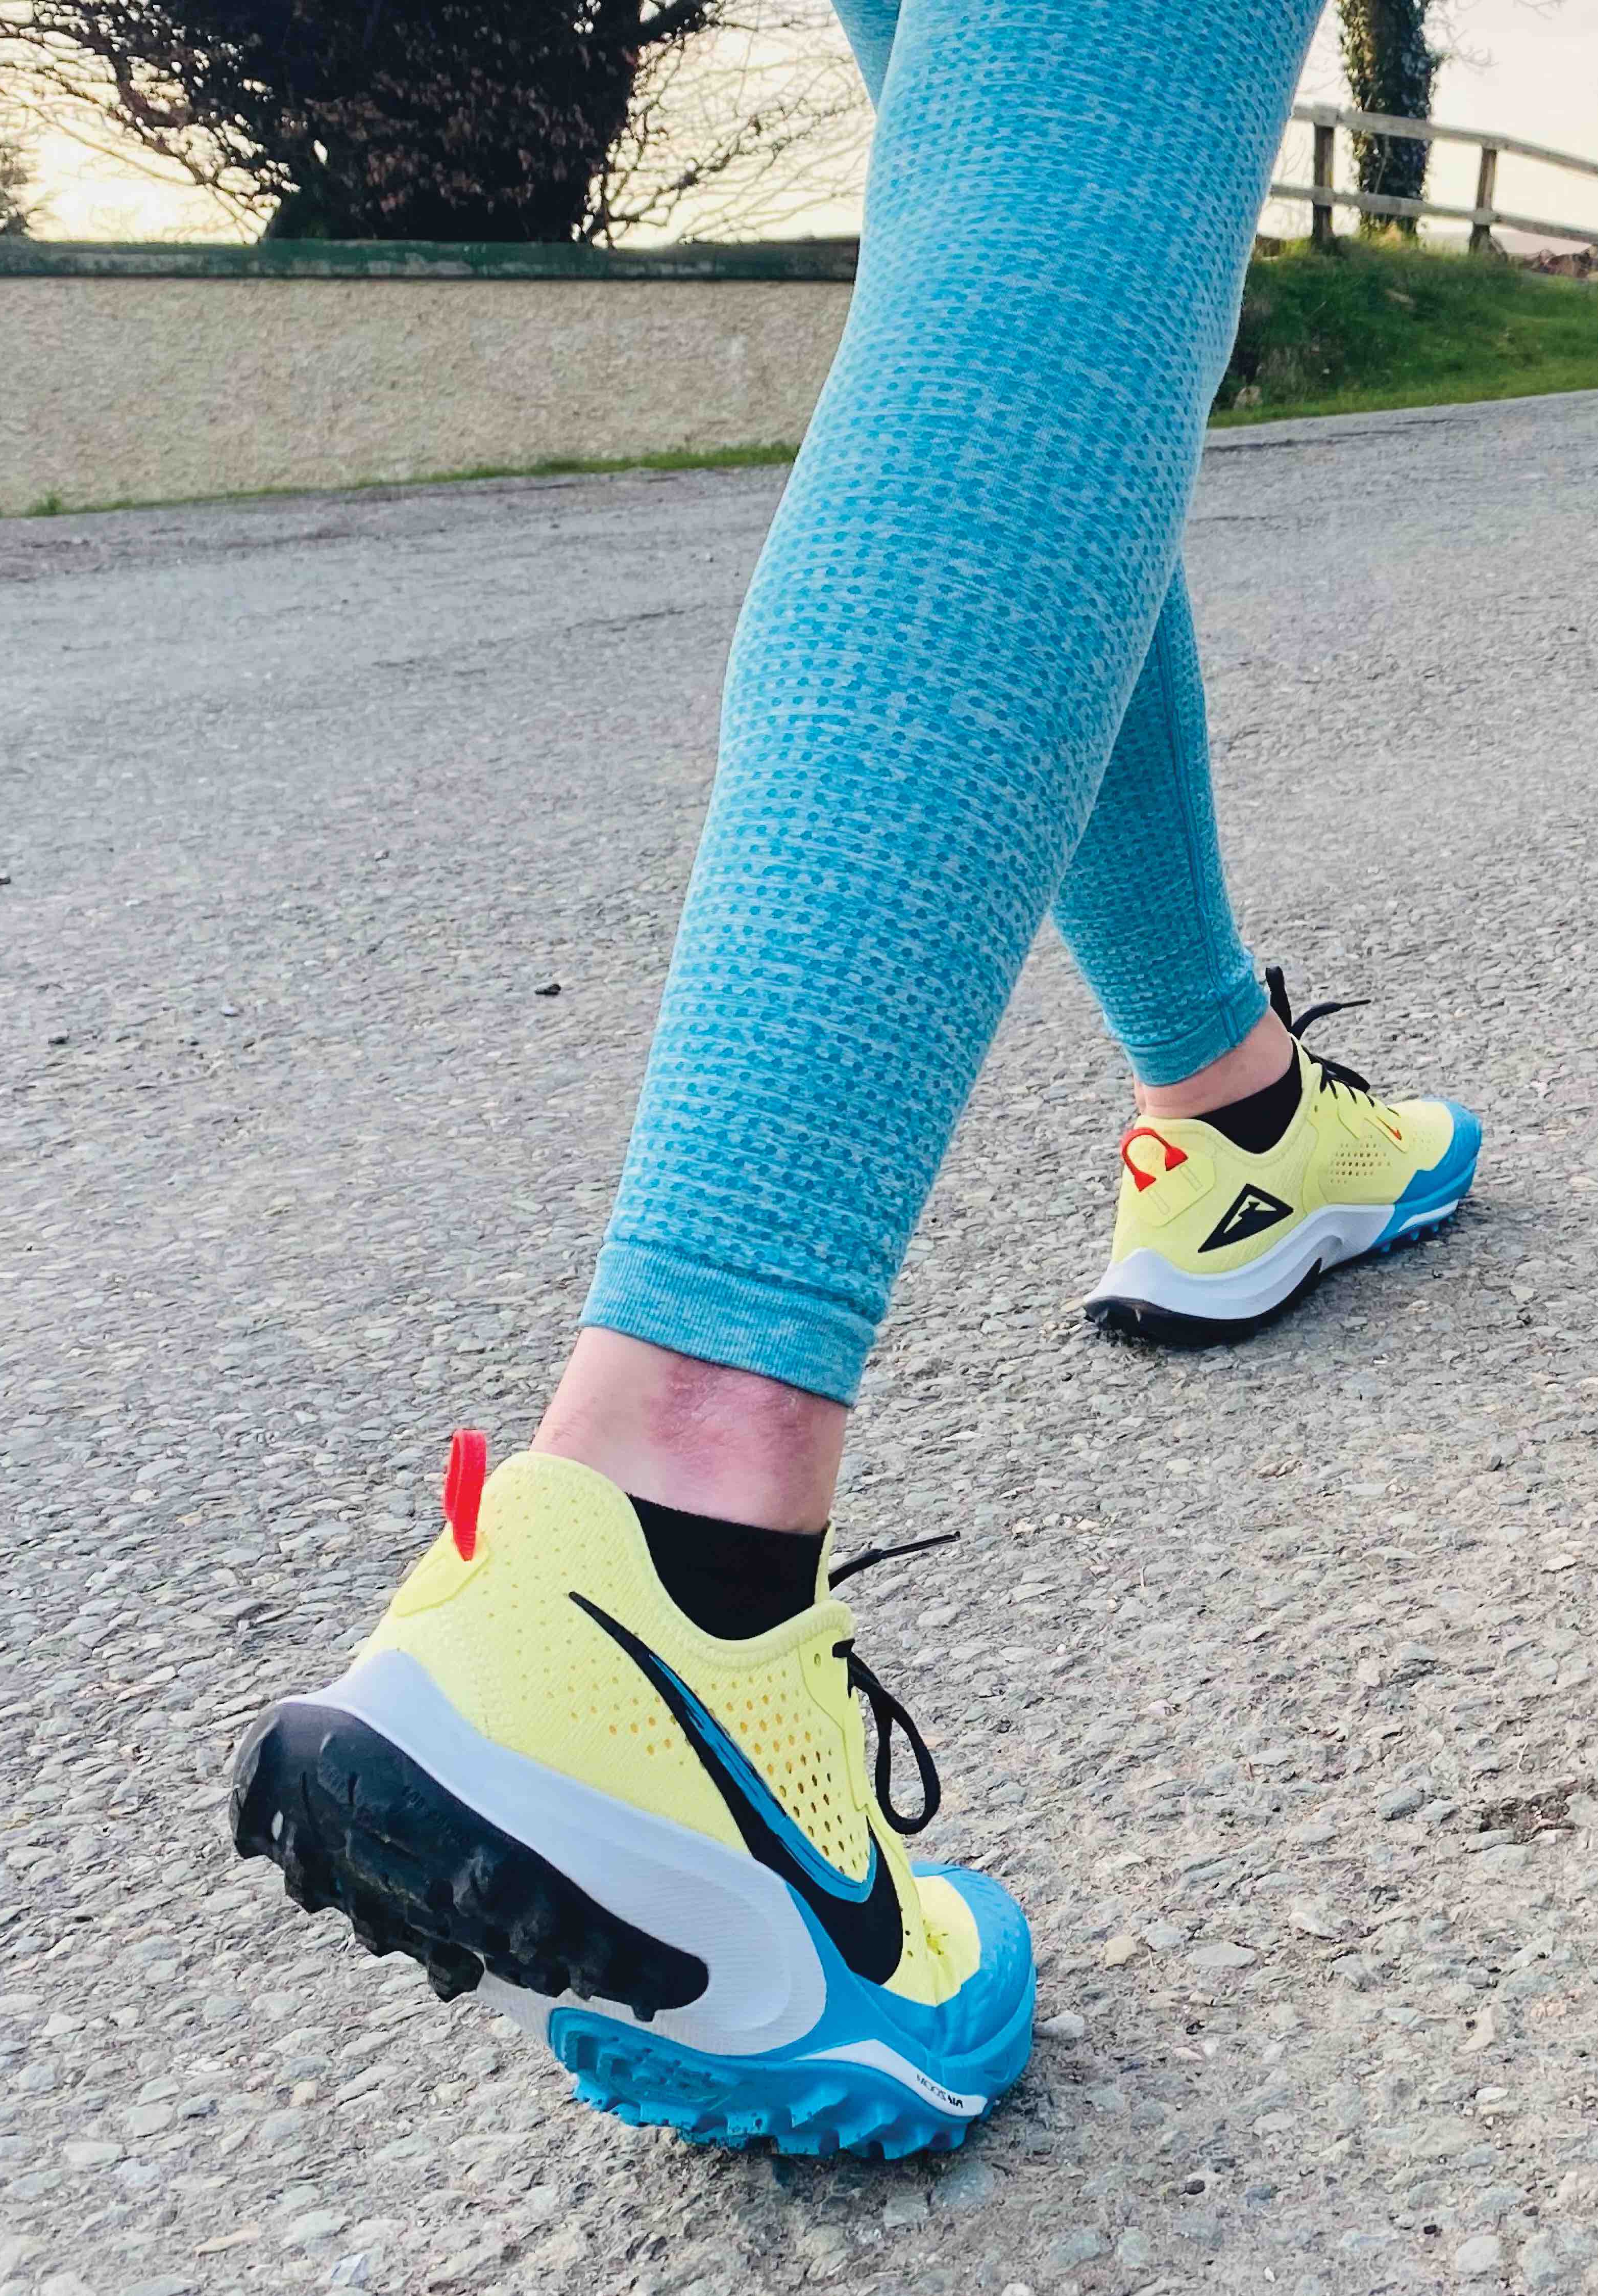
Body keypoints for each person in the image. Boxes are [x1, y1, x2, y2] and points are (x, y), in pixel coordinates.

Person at [223, 0, 1475, 2159]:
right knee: (1058, 241)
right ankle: (674, 1522)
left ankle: (1245, 1122)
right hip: (661, 1559)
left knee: (1037, 264)